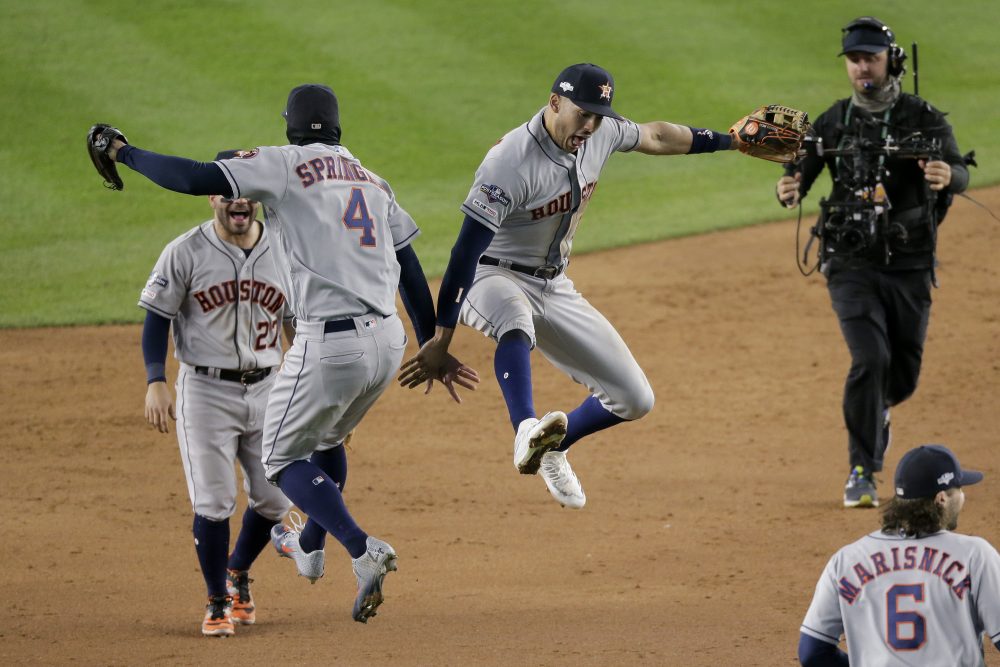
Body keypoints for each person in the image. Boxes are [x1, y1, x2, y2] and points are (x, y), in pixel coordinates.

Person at [107, 83, 478, 623]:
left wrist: (123, 152)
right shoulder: (372, 179)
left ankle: (361, 548)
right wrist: (432, 343)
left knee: (279, 461)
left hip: (331, 344)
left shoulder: (284, 163)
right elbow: (411, 266)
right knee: (326, 439)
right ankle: (309, 546)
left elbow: (191, 177)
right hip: (388, 341)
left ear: (290, 125)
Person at [399, 63, 759, 509]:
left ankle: (550, 448)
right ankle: (525, 430)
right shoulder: (508, 163)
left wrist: (732, 140)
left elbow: (656, 135)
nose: (590, 125)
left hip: (553, 284)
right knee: (514, 319)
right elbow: (463, 253)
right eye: (582, 114)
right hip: (489, 274)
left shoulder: (601, 132)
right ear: (555, 103)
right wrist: (439, 338)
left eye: (598, 116)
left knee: (634, 398)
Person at [775, 17, 969, 508]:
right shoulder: (833, 121)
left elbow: (958, 169)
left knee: (903, 372)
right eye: (854, 59)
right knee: (870, 359)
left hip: (909, 261)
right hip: (850, 261)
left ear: (891, 61)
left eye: (871, 58)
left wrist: (949, 175)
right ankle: (861, 469)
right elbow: (800, 172)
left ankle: (877, 407)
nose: (862, 67)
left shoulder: (922, 118)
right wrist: (789, 187)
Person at [140, 150, 294, 636]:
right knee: (213, 501)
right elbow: (157, 317)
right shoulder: (184, 251)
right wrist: (155, 379)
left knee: (274, 500)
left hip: (270, 389)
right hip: (206, 392)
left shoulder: (285, 249)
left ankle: (237, 571)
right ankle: (216, 601)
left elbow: (297, 324)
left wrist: (311, 391)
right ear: (211, 197)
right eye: (227, 194)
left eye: (245, 194)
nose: (237, 202)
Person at [798, 444, 1000, 666]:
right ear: (941, 498)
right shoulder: (975, 555)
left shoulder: (846, 560)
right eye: (959, 489)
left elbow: (812, 651)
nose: (963, 496)